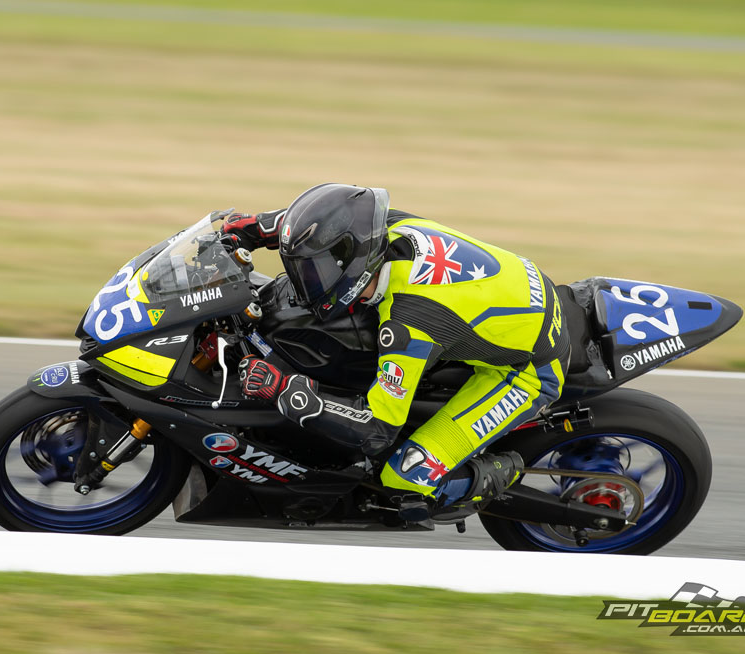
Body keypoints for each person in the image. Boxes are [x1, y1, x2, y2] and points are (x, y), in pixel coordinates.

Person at [223, 184, 570, 524]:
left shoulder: (408, 324)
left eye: (317, 270)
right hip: (521, 291)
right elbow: (325, 223)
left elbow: (377, 429)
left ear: (354, 269)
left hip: (527, 370)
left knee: (406, 476)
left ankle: (495, 472)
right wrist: (253, 228)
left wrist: (285, 391)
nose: (307, 279)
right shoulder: (382, 227)